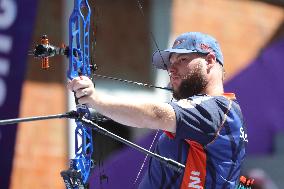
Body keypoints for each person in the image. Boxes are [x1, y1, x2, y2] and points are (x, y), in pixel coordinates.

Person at [68, 32, 248, 189]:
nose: (171, 69)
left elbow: (157, 114)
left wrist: (95, 99)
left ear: (209, 61)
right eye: (170, 63)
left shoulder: (218, 109)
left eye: (182, 59)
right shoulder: (215, 112)